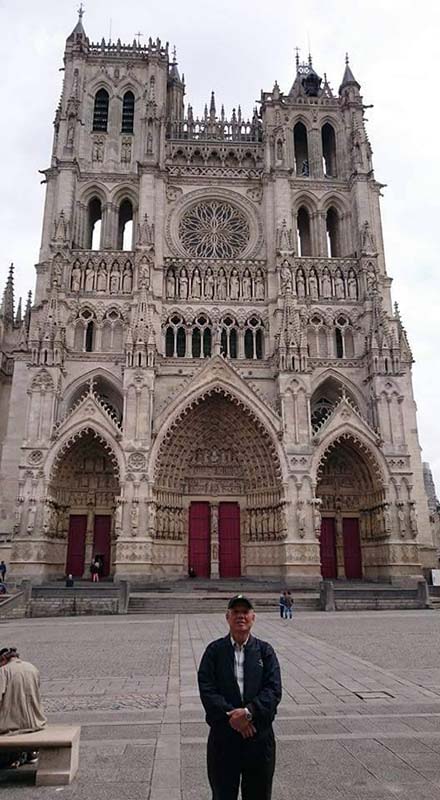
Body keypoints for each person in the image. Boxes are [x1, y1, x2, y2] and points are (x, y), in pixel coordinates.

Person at [198, 594, 282, 800]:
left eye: (245, 612)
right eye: (236, 612)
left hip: (258, 738)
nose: (240, 616)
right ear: (227, 617)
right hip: (224, 739)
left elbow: (274, 689)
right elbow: (207, 689)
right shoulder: (214, 651)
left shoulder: (265, 651)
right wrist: (233, 717)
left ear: (253, 617)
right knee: (223, 794)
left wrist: (248, 713)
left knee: (259, 795)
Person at [0, 646, 46, 769]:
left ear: (3, 659)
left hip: (12, 726)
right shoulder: (32, 668)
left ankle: (13, 756)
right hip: (37, 722)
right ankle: (28, 753)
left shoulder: (3, 671)